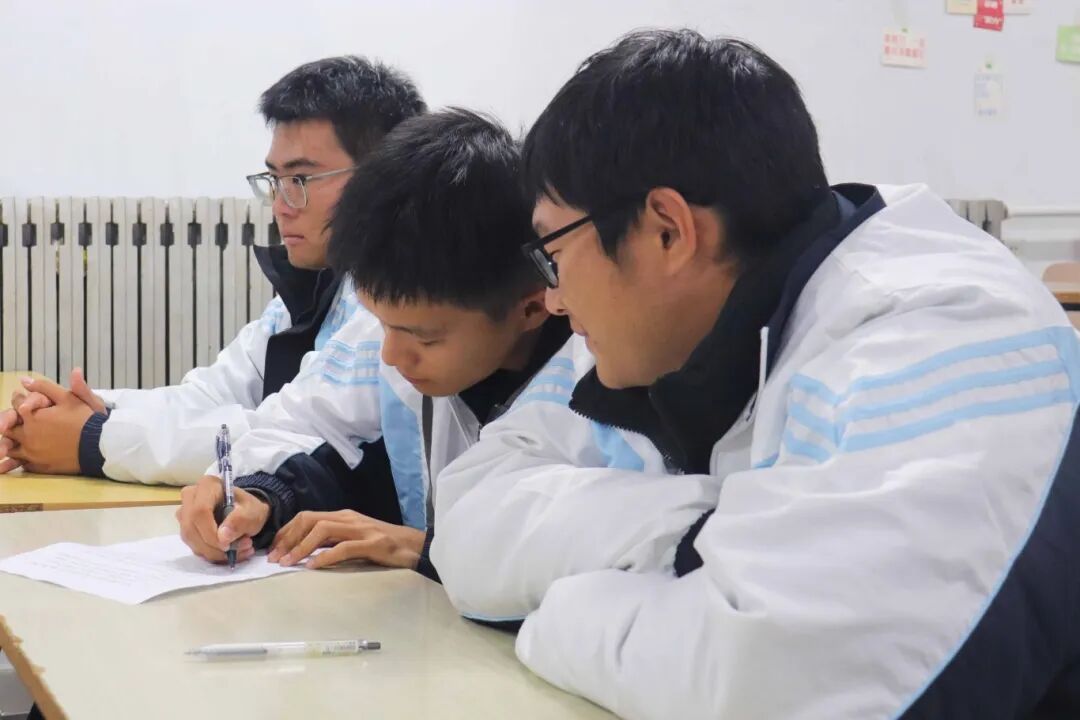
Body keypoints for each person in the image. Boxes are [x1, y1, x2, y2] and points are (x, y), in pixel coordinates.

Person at [431, 29, 1080, 718]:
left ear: (667, 231)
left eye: (554, 251)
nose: (555, 298)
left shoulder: (942, 325)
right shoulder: (650, 334)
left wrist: (552, 621)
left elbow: (783, 680)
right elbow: (468, 521)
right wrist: (697, 530)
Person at [175, 109, 574, 578]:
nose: (390, 354)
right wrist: (259, 497)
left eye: (424, 337)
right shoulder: (410, 325)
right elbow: (312, 426)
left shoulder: (587, 379)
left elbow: (579, 556)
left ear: (532, 308)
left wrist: (427, 551)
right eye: (382, 324)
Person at [0, 56, 425, 485]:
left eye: (299, 179)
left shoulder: (392, 305)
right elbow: (209, 395)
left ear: (378, 178)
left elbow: (280, 433)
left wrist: (91, 438)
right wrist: (86, 410)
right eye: (274, 180)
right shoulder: (315, 288)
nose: (280, 206)